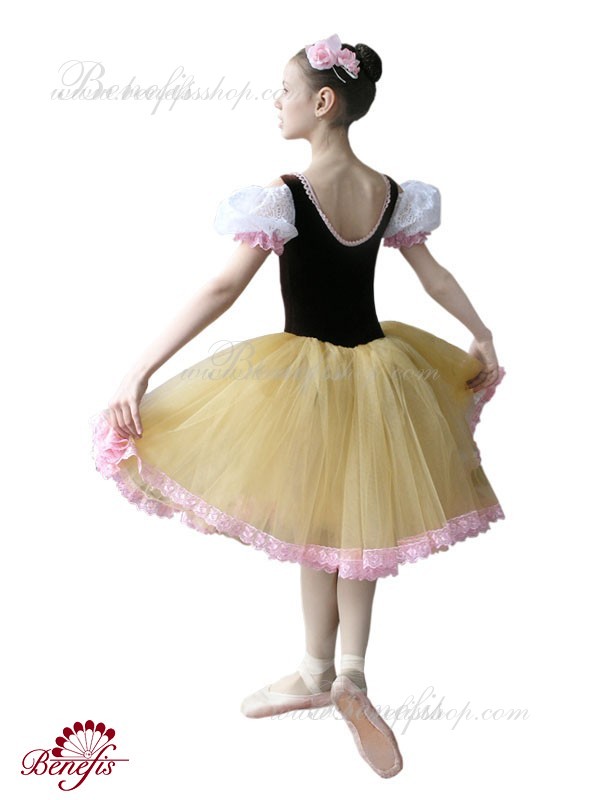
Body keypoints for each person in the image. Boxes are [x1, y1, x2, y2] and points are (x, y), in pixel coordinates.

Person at [89, 34, 506, 779]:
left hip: (303, 380)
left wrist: (140, 368)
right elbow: (434, 276)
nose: (274, 102)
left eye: (283, 90)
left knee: (321, 519)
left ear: (322, 101)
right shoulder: (389, 192)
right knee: (359, 519)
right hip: (381, 372)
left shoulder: (285, 195)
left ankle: (325, 673)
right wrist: (480, 333)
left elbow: (223, 287)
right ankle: (340, 672)